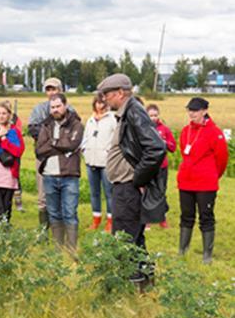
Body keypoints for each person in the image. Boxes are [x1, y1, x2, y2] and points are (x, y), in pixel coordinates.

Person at [97, 74, 166, 285]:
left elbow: (156, 148)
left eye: (107, 95)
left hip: (128, 187)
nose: (104, 100)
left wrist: (137, 179)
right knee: (135, 239)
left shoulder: (134, 112)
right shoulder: (127, 112)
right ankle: (145, 282)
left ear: (119, 93)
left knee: (124, 239)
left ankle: (130, 285)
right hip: (125, 186)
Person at [176, 97, 229, 264]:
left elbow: (222, 159)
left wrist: (212, 175)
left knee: (206, 217)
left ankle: (207, 255)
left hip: (206, 183)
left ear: (205, 111)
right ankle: (182, 250)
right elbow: (184, 152)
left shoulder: (215, 132)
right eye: (190, 110)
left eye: (196, 110)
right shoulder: (186, 131)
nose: (192, 113)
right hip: (186, 182)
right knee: (186, 216)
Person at [35, 93, 84, 251]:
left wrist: (53, 143)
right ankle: (58, 247)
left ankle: (71, 248)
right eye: (52, 107)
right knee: (54, 212)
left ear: (65, 105)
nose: (55, 110)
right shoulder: (46, 125)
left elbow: (73, 144)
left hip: (69, 175)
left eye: (58, 106)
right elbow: (39, 150)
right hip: (49, 175)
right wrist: (60, 147)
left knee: (69, 212)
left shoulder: (75, 124)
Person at [27, 77, 75, 234]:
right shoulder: (38, 109)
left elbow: (73, 133)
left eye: (54, 89)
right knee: (43, 195)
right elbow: (33, 130)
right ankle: (43, 230)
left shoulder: (71, 110)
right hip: (43, 158)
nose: (51, 92)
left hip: (65, 159)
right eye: (48, 89)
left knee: (64, 193)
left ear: (60, 90)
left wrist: (49, 134)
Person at [81, 94, 116, 232]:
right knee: (94, 192)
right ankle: (96, 219)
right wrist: (85, 151)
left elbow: (115, 140)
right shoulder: (90, 120)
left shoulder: (112, 119)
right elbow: (86, 138)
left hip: (105, 162)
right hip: (91, 160)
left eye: (103, 103)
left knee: (109, 193)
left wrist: (108, 153)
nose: (100, 105)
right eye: (97, 102)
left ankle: (110, 221)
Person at [146, 104, 176, 230]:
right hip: (148, 166)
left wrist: (164, 142)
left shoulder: (164, 129)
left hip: (161, 166)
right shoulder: (143, 128)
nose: (153, 118)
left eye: (155, 115)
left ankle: (162, 218)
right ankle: (147, 220)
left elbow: (173, 147)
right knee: (148, 193)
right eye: (151, 115)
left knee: (161, 192)